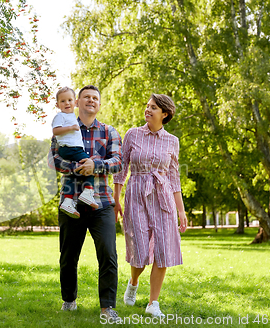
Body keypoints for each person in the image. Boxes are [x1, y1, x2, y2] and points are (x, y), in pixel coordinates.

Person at [48, 85, 122, 320]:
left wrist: (96, 165)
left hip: (102, 202)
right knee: (68, 256)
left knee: (108, 254)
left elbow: (118, 162)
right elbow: (54, 159)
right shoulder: (63, 129)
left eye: (95, 98)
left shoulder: (110, 132)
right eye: (86, 97)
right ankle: (69, 301)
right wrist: (78, 167)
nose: (91, 100)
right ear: (77, 102)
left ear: (99, 104)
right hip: (71, 202)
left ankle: (107, 307)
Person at [113, 94, 188, 318]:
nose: (148, 110)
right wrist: (116, 199)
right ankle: (134, 281)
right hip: (136, 194)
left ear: (164, 114)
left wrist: (181, 210)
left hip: (163, 196)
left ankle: (152, 303)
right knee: (140, 252)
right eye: (147, 106)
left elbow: (174, 177)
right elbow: (121, 169)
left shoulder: (172, 141)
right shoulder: (132, 134)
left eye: (153, 107)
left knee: (163, 250)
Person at [51, 86, 99, 218]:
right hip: (70, 148)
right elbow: (55, 131)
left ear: (75, 102)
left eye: (70, 100)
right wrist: (71, 127)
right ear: (57, 104)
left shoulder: (70, 115)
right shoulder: (60, 116)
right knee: (89, 164)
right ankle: (88, 192)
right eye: (63, 101)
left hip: (72, 149)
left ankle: (67, 200)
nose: (67, 103)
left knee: (73, 174)